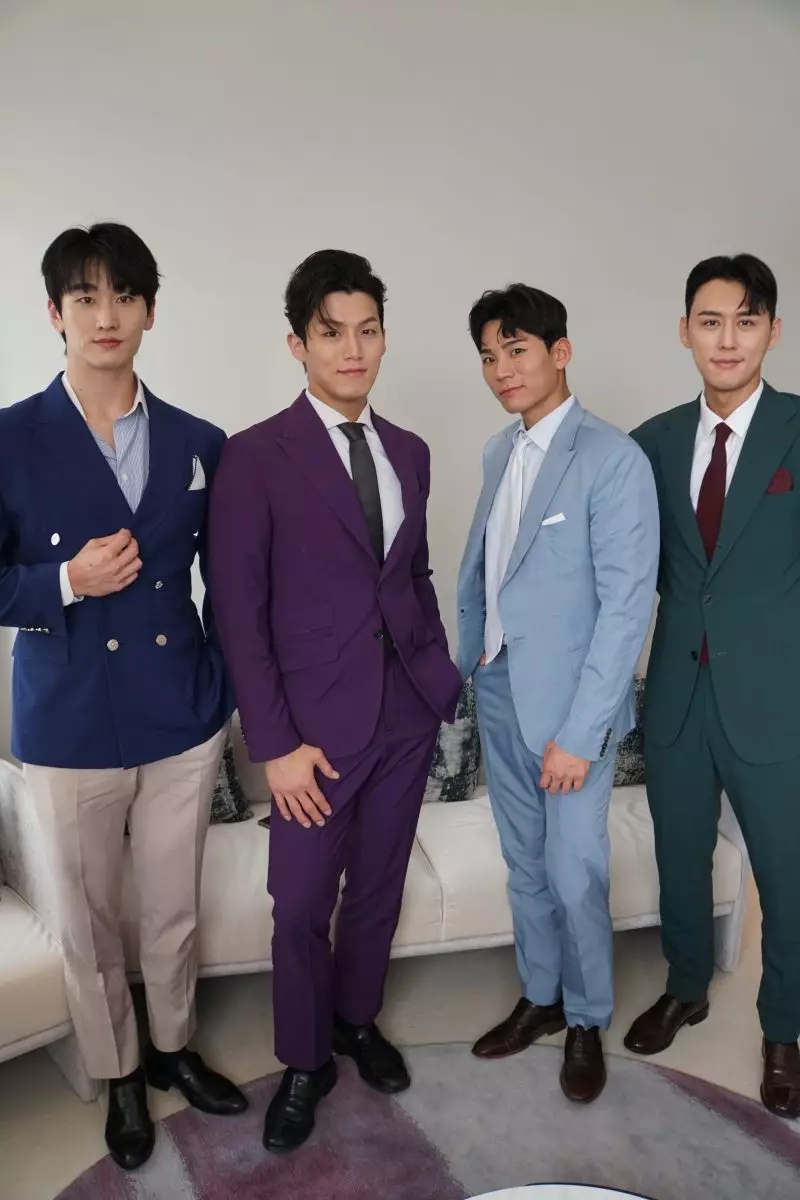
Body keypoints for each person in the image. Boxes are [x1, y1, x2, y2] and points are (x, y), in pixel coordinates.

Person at [0, 223, 247, 1171]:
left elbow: (233, 582)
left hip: (179, 715)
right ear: (53, 314)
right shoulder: (10, 438)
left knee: (174, 908)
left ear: (149, 310)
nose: (107, 316)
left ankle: (176, 1048)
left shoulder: (198, 441)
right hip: (67, 723)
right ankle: (120, 1073)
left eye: (126, 296)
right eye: (86, 297)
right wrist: (67, 582)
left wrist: (219, 685)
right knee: (90, 920)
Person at [208, 249, 462, 1153]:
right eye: (331, 333)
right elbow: (237, 612)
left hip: (405, 712)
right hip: (311, 730)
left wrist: (436, 674)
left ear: (383, 337)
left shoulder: (410, 451)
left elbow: (411, 574)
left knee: (380, 884)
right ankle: (305, 1060)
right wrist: (274, 746)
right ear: (298, 344)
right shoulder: (253, 457)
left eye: (367, 330)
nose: (352, 350)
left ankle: (358, 1019)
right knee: (300, 903)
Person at [457, 284, 659, 1102]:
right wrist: (474, 664)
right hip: (499, 687)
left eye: (517, 350)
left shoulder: (613, 459)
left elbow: (625, 609)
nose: (502, 370)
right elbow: (491, 571)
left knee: (575, 871)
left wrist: (582, 734)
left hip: (573, 707)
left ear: (560, 352)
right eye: (489, 357)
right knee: (525, 864)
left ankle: (586, 1017)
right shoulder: (497, 452)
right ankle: (540, 997)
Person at [625, 254, 800, 1119]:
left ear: (772, 331)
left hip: (774, 695)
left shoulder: (798, 429)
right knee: (679, 855)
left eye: (745, 320)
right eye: (710, 321)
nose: (727, 339)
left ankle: (784, 1029)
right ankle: (686, 985)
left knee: (787, 871)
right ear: (685, 331)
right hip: (676, 693)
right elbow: (628, 570)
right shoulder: (651, 443)